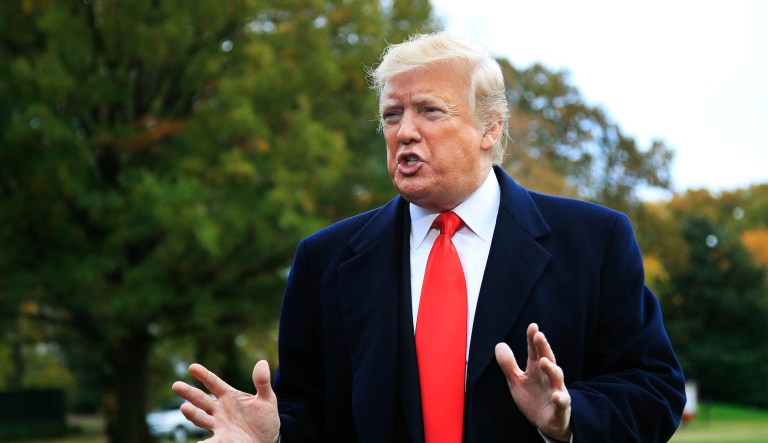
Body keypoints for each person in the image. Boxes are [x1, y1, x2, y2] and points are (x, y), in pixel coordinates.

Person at [172, 32, 686, 442]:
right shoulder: (324, 259)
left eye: (430, 111)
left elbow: (655, 392)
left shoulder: (594, 242)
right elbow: (311, 411)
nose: (405, 132)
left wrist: (568, 421)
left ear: (490, 128)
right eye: (392, 115)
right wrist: (277, 435)